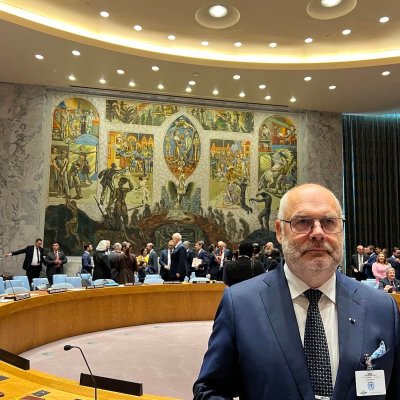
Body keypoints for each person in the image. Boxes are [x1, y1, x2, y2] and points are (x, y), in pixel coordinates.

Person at [194, 183, 400, 400]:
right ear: (279, 231)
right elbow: (211, 390)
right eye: (303, 222)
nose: (318, 233)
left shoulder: (382, 308)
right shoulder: (240, 304)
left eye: (329, 222)